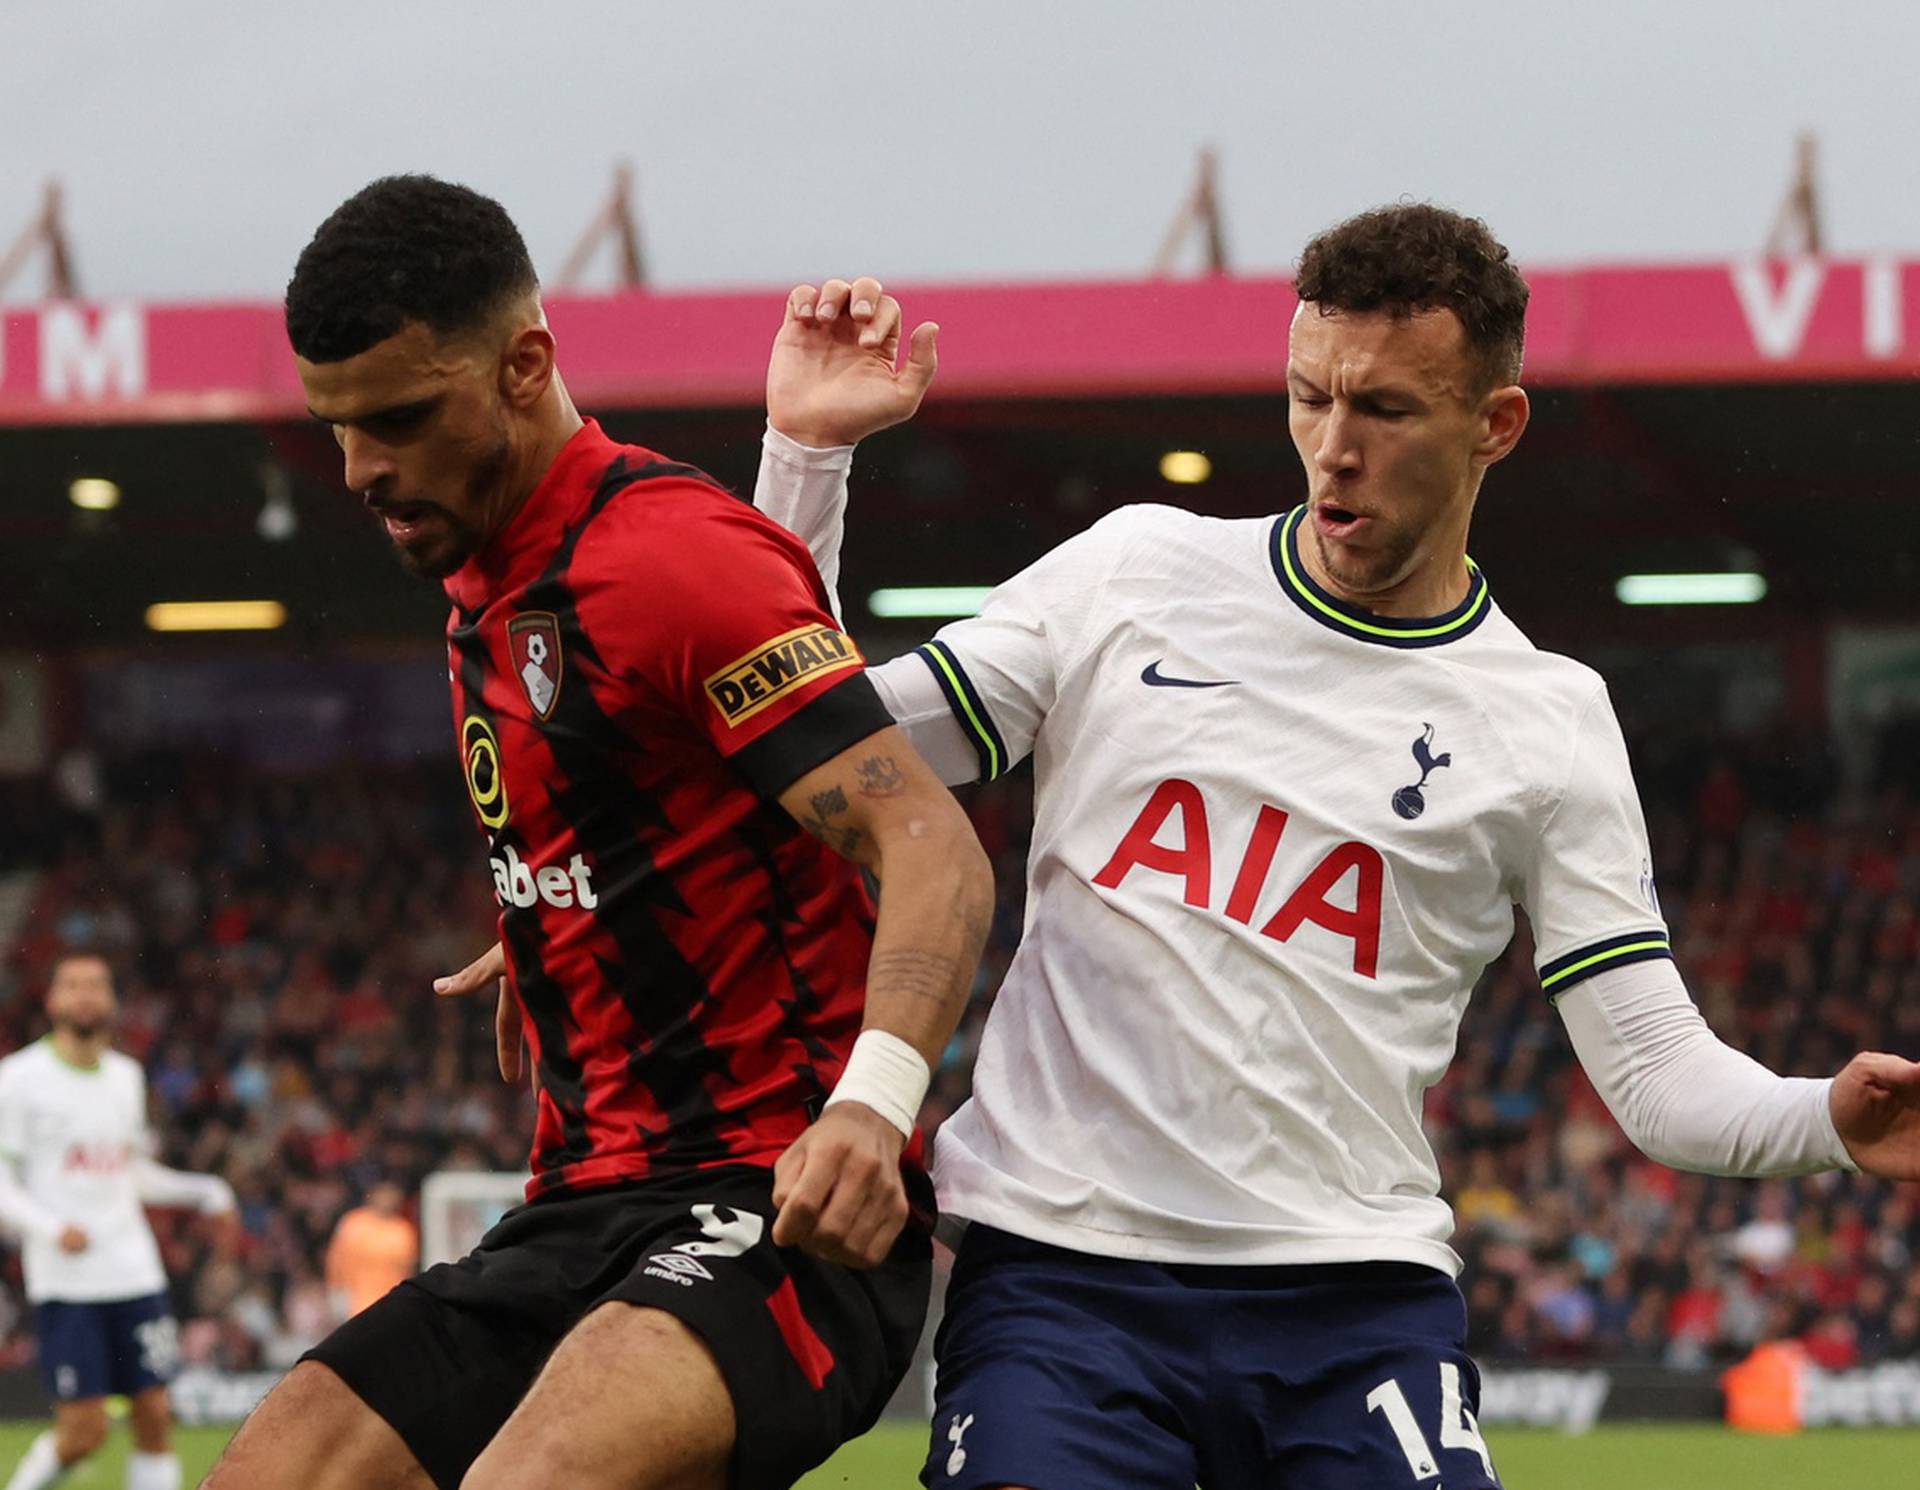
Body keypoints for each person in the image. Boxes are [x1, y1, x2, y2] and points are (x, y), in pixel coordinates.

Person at [744, 204, 1920, 1488]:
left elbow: (1651, 1066)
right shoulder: (1134, 572)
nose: (1334, 449)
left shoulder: (1549, 717)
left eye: (1386, 410)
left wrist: (1826, 1117)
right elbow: (815, 746)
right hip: (1062, 1277)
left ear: (1496, 425)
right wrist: (805, 455)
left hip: (1357, 1305)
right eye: (1310, 397)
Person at [206, 176, 993, 1490]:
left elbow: (932, 850)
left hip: (777, 1204)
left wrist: (872, 1108)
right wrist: (567, 924)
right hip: (581, 1208)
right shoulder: (484, 579)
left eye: (397, 418)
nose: (360, 472)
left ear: (525, 365)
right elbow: (665, 801)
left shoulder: (672, 557)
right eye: (336, 428)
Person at [0, 952, 236, 1490]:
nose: (85, 995)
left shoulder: (125, 1077)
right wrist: (50, 1227)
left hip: (134, 1272)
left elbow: (133, 1176)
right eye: (73, 985)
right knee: (85, 1433)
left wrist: (207, 1191)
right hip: (66, 1282)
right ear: (52, 1000)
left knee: (155, 1414)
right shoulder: (17, 1079)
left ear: (111, 1001)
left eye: (96, 985)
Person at [324, 1181, 418, 1320]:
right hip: (355, 1301)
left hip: (389, 1302)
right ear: (374, 1195)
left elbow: (408, 1269)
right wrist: (336, 1290)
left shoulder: (403, 1231)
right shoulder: (353, 1223)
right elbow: (336, 1259)